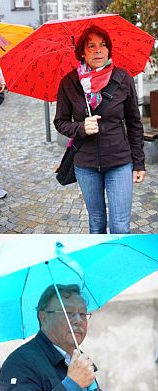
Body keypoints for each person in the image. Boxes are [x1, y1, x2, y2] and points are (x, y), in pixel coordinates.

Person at [54, 25, 145, 234]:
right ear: (82, 52)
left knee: (120, 225)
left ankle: (120, 263)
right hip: (85, 165)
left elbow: (134, 123)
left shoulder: (123, 79)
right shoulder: (69, 82)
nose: (98, 50)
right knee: (96, 223)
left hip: (119, 162)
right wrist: (81, 127)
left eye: (103, 45)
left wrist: (138, 163)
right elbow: (60, 122)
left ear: (109, 49)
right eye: (91, 46)